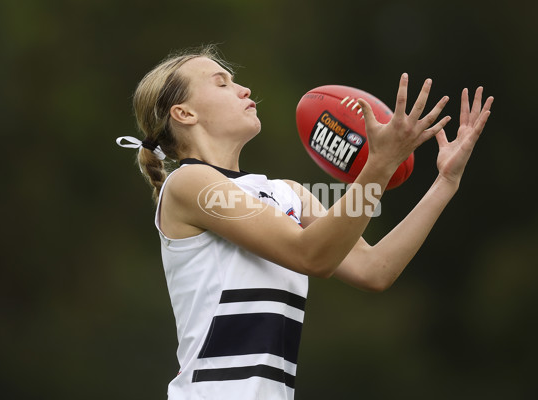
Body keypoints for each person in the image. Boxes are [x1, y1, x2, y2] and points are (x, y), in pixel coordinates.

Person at [116, 44, 493, 400]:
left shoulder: (288, 193)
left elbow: (374, 269)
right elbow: (311, 256)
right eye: (222, 82)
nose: (244, 89)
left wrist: (445, 182)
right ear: (184, 114)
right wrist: (380, 163)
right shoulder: (189, 183)